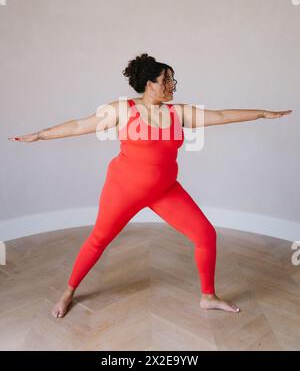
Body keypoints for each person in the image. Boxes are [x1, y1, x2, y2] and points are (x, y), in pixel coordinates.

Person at [8, 53, 292, 319]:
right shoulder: (122, 109)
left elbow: (219, 116)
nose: (172, 85)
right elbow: (78, 126)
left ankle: (208, 296)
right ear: (149, 84)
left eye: (172, 80)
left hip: (165, 190)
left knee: (206, 235)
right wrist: (41, 135)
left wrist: (262, 113)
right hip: (123, 189)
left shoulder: (177, 113)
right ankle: (68, 292)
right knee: (99, 239)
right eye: (167, 80)